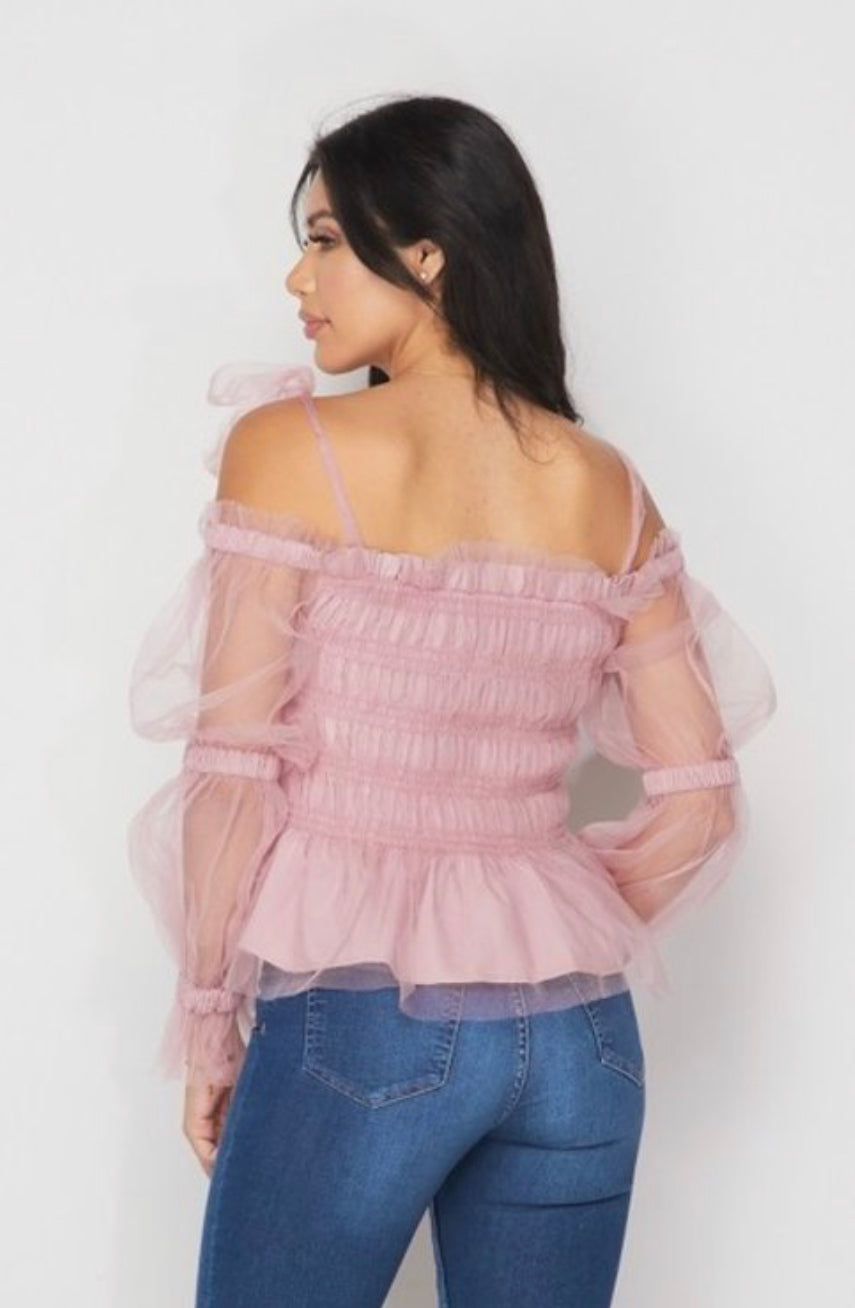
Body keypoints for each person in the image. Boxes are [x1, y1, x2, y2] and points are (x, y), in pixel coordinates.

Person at [127, 94, 777, 1308]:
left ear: (426, 254)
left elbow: (232, 776)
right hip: (583, 1044)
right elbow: (702, 800)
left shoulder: (292, 449)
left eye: (326, 239)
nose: (298, 276)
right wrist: (546, 915)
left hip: (359, 1016)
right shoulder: (606, 487)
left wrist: (209, 1022)